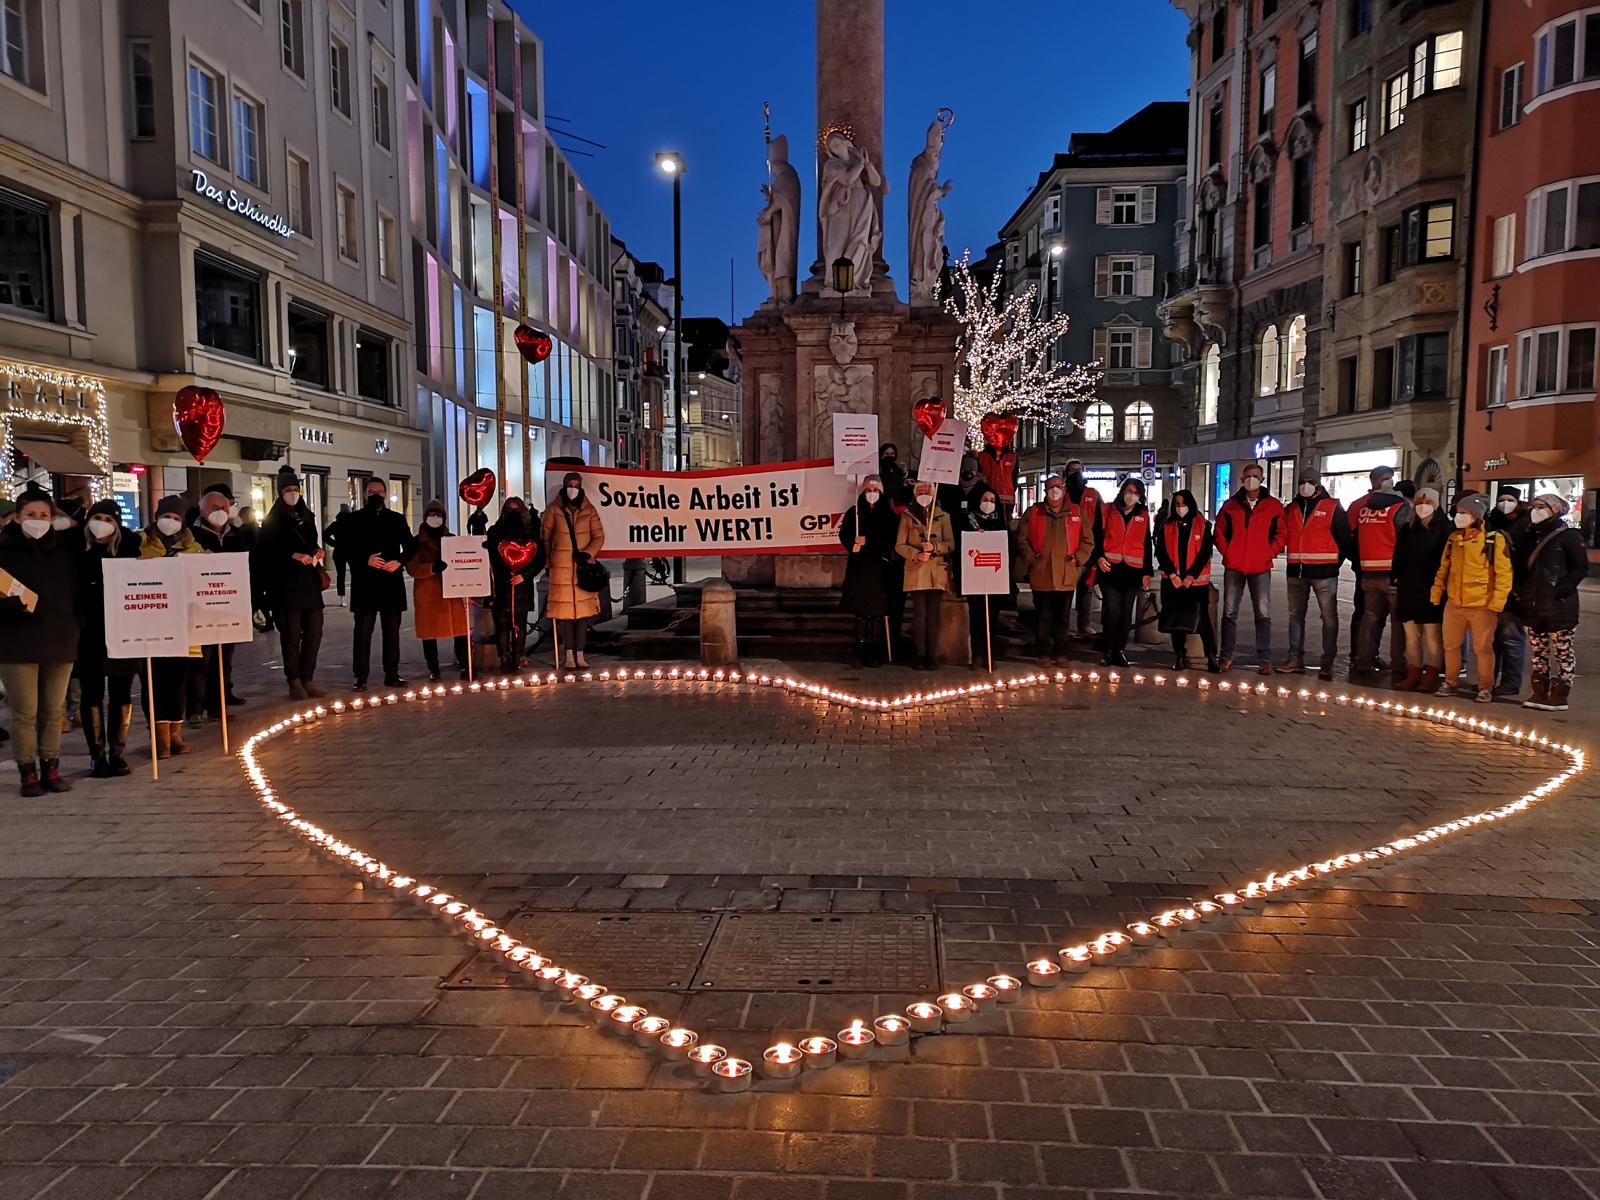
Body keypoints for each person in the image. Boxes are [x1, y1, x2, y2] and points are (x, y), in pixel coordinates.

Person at [0, 485, 80, 794]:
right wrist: (12, 606)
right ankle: (27, 772)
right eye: (30, 514)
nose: (37, 520)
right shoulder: (4, 551)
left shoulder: (63, 551)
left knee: (53, 710)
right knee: (25, 712)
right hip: (17, 642)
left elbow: (77, 593)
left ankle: (51, 768)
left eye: (44, 515)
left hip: (59, 640)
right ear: (17, 518)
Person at [76, 499, 142, 777]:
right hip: (88, 635)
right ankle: (97, 755)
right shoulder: (75, 550)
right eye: (97, 518)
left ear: (117, 524)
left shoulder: (130, 550)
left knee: (121, 693)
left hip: (122, 632)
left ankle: (117, 753)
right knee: (91, 694)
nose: (101, 524)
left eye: (108, 519)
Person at [139, 496, 205, 757]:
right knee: (153, 681)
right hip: (149, 626)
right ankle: (159, 734)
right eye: (167, 516)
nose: (171, 522)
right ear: (157, 517)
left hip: (183, 626)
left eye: (176, 518)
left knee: (178, 682)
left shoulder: (194, 547)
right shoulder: (139, 543)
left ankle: (176, 732)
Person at [1431, 493, 1512, 702]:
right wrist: (1437, 592)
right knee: (1450, 646)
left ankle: (1485, 686)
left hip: (1482, 605)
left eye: (1464, 512)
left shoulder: (1493, 539)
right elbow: (1443, 568)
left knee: (1483, 648)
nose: (1459, 516)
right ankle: (1450, 682)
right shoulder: (1454, 538)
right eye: (1458, 512)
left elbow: (1504, 574)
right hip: (1454, 603)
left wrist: (1497, 603)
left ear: (1476, 515)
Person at [257, 467, 327, 699]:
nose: (293, 493)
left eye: (296, 489)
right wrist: (292, 556)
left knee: (314, 631)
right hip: (285, 587)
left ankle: (308, 677)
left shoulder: (307, 516)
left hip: (309, 584)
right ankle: (294, 680)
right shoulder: (272, 521)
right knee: (290, 634)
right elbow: (265, 553)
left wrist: (316, 551)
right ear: (280, 492)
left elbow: (312, 541)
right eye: (288, 489)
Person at [341, 477, 416, 690]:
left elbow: (411, 546)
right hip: (365, 585)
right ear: (365, 494)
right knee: (363, 632)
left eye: (380, 492)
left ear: (385, 494)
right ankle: (360, 676)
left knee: (391, 632)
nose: (376, 495)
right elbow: (344, 549)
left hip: (391, 584)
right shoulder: (353, 519)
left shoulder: (396, 519)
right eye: (371, 491)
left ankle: (392, 674)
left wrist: (399, 561)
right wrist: (365, 559)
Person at [1515, 493, 1587, 712]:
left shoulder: (1569, 536)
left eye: (1541, 506)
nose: (1535, 511)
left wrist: (1560, 591)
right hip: (1533, 604)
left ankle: (1560, 694)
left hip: (1559, 606)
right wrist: (1521, 591)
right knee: (1538, 651)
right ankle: (1539, 690)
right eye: (1533, 506)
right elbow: (1521, 567)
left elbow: (1579, 568)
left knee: (1563, 650)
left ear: (1555, 509)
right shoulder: (1530, 535)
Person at [1214, 462, 1286, 674]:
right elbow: (1219, 532)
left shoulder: (1273, 506)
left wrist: (1268, 553)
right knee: (1229, 613)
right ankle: (1226, 656)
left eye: (1255, 476)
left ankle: (1264, 658)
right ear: (1242, 479)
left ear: (1262, 479)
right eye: (1248, 476)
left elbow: (1281, 534)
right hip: (1234, 566)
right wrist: (1229, 552)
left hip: (1260, 567)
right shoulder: (1230, 506)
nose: (1251, 479)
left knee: (1263, 613)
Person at [1017, 473, 1095, 666]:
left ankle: (1061, 651)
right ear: (1045, 490)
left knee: (1063, 617)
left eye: (1058, 486)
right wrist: (1031, 559)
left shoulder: (1077, 513)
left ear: (1064, 489)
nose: (1055, 490)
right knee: (1043, 615)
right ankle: (1043, 651)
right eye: (1051, 487)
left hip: (1066, 574)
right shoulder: (1033, 512)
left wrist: (1078, 559)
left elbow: (1087, 540)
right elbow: (1021, 539)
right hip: (1041, 573)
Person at [1281, 467, 1350, 680]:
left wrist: (1334, 564)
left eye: (1310, 481)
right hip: (1296, 572)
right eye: (1302, 481)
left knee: (1329, 618)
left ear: (1318, 484)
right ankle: (1295, 659)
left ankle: (1327, 663)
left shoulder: (1332, 507)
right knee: (1295, 617)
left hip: (1324, 573)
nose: (1305, 485)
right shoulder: (1291, 508)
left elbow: (1344, 539)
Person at [1350, 465, 1411, 685]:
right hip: (1391, 574)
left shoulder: (1364, 509)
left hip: (1368, 573)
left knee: (1369, 619)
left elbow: (1354, 539)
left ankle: (1363, 662)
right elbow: (1406, 539)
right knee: (1397, 623)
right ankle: (1398, 666)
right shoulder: (1398, 508)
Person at [192, 484, 249, 717]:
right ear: (203, 509)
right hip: (200, 608)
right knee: (200, 661)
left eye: (225, 507)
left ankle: (218, 706)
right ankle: (196, 707)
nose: (221, 512)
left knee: (224, 660)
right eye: (215, 507)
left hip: (229, 606)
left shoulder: (236, 533)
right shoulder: (192, 534)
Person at [541, 471, 604, 669]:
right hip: (561, 568)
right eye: (570, 485)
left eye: (576, 486)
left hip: (582, 569)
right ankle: (568, 654)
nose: (573, 489)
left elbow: (599, 536)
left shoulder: (589, 510)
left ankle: (580, 653)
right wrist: (548, 563)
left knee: (584, 615)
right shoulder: (553, 510)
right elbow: (545, 539)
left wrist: (588, 553)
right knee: (565, 616)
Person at [1390, 486, 1449, 693]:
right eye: (1419, 503)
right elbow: (1398, 555)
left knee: (1432, 635)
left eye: (1428, 503)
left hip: (1432, 589)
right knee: (1411, 634)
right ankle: (1413, 671)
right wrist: (1395, 577)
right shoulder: (1408, 528)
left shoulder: (1444, 528)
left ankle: (1431, 673)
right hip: (1408, 587)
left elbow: (1445, 561)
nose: (1423, 507)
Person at [1155, 488, 1219, 672]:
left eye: (1183, 503)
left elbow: (1205, 553)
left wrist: (1191, 576)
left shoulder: (1203, 525)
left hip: (1196, 583)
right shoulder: (1166, 526)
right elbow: (1160, 552)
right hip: (1173, 582)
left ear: (1191, 504)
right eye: (1177, 504)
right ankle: (1179, 655)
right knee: (1177, 622)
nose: (1180, 507)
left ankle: (1211, 655)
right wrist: (1173, 575)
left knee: (1203, 621)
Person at [409, 499, 472, 680]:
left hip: (451, 593)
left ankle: (465, 666)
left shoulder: (452, 539)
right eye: (431, 514)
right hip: (428, 594)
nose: (435, 518)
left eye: (438, 515)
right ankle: (434, 669)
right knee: (429, 634)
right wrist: (432, 567)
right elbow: (412, 569)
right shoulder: (416, 542)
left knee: (460, 631)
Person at [839, 475, 898, 667]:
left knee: (877, 612)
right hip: (859, 568)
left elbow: (891, 539)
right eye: (868, 490)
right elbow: (844, 534)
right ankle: (860, 650)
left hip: (880, 569)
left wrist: (869, 541)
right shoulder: (854, 512)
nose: (872, 493)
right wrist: (852, 544)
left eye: (875, 490)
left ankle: (875, 651)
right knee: (860, 612)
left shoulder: (888, 514)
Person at [896, 480, 954, 670]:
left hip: (936, 571)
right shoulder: (907, 516)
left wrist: (935, 547)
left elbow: (950, 544)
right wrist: (916, 554)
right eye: (920, 492)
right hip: (916, 570)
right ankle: (920, 654)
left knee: (933, 614)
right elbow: (899, 545)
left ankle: (932, 655)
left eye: (927, 492)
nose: (924, 495)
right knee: (920, 614)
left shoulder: (944, 516)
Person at [1095, 477, 1152, 667]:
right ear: (1121, 492)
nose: (1131, 495)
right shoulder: (1107, 510)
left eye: (1136, 492)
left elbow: (1146, 542)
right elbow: (1096, 536)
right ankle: (1107, 650)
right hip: (1110, 569)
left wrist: (1147, 571)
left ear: (1141, 495)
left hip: (1133, 572)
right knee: (1112, 612)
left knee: (1126, 614)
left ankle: (1119, 650)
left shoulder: (1143, 514)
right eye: (1128, 491)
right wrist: (1099, 557)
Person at [486, 497, 545, 673]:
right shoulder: (495, 531)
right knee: (502, 625)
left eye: (516, 510)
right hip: (501, 586)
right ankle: (504, 658)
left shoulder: (531, 531)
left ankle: (517, 658)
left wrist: (524, 575)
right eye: (509, 510)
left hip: (522, 587)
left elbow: (539, 559)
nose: (513, 513)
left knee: (519, 625)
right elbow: (490, 557)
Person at [956, 481, 1010, 667]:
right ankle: (977, 654)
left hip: (994, 579)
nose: (988, 503)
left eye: (992, 500)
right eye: (985, 499)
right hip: (974, 578)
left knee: (992, 617)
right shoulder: (967, 520)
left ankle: (989, 654)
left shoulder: (1000, 522)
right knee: (976, 616)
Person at [1487, 485, 1532, 698]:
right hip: (1491, 588)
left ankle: (1510, 682)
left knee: (1510, 637)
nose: (1505, 504)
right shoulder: (1492, 520)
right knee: (1491, 639)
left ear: (1518, 502)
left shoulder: (1525, 524)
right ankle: (1488, 680)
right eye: (1502, 499)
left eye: (1510, 500)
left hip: (1513, 590)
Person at [1061, 460, 1103, 637]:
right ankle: (1062, 627)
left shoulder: (1093, 494)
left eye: (1080, 470)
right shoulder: (1062, 494)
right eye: (1073, 471)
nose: (1077, 474)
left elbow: (1101, 524)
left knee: (1086, 590)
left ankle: (1083, 625)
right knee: (1065, 591)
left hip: (1088, 551)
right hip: (1067, 552)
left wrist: (1098, 552)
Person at [326, 502, 351, 608]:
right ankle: (357, 596)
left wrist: (335, 543)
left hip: (339, 552)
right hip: (351, 551)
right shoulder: (353, 524)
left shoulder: (336, 524)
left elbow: (325, 535)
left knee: (341, 575)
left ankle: (342, 598)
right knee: (357, 574)